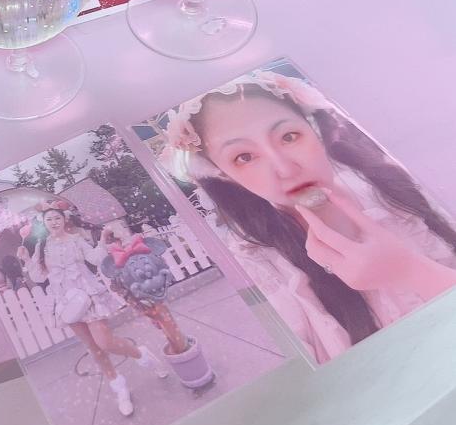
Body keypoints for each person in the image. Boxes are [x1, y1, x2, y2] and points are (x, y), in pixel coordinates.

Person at [159, 70, 456, 363]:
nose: (286, 169)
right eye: (244, 157)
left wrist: (410, 270)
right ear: (225, 175)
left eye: (289, 137)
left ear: (315, 130)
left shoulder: (395, 188)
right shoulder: (260, 264)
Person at [16, 203, 167, 416]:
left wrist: (103, 240)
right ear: (44, 223)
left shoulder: (76, 240)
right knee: (93, 348)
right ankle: (119, 387)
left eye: (57, 218)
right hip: (65, 302)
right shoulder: (42, 246)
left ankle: (141, 355)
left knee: (105, 342)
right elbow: (39, 277)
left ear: (64, 220)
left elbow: (95, 259)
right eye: (49, 219)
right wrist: (26, 259)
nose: (54, 222)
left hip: (88, 296)